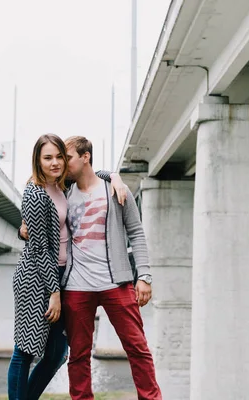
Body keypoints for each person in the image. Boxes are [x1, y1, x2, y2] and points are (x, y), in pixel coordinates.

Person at [8, 134, 127, 400]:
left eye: (59, 156)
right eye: (47, 158)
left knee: (57, 354)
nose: (55, 163)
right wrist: (54, 292)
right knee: (25, 351)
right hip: (36, 279)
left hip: (61, 275)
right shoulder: (35, 193)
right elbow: (39, 249)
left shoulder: (62, 185)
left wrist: (114, 176)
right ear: (37, 161)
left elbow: (91, 170)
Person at [62, 136, 161, 400]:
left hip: (116, 283)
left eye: (67, 157)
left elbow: (136, 234)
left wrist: (145, 276)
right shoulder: (63, 191)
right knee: (79, 356)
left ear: (85, 157)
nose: (62, 162)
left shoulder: (117, 190)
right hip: (76, 286)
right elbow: (35, 183)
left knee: (138, 349)